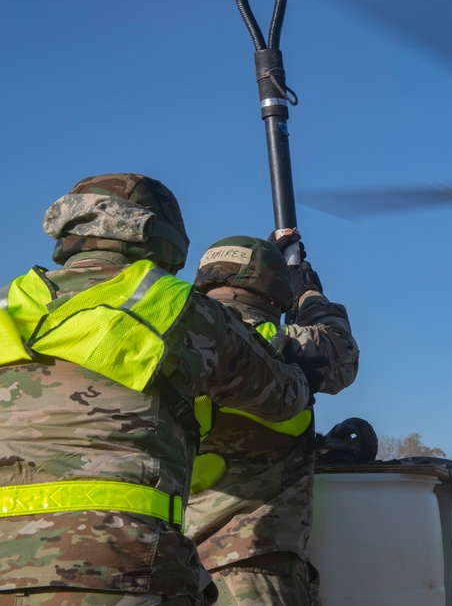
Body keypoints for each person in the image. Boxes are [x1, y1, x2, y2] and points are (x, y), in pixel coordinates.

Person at [0, 174, 314, 605]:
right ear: (163, 238)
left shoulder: (7, 304)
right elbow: (286, 397)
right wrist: (295, 297)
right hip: (122, 568)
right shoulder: (176, 308)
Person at [185, 234, 359, 605]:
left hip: (179, 567)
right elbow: (340, 350)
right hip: (256, 567)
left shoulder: (180, 338)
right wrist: (307, 292)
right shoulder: (277, 340)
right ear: (272, 291)